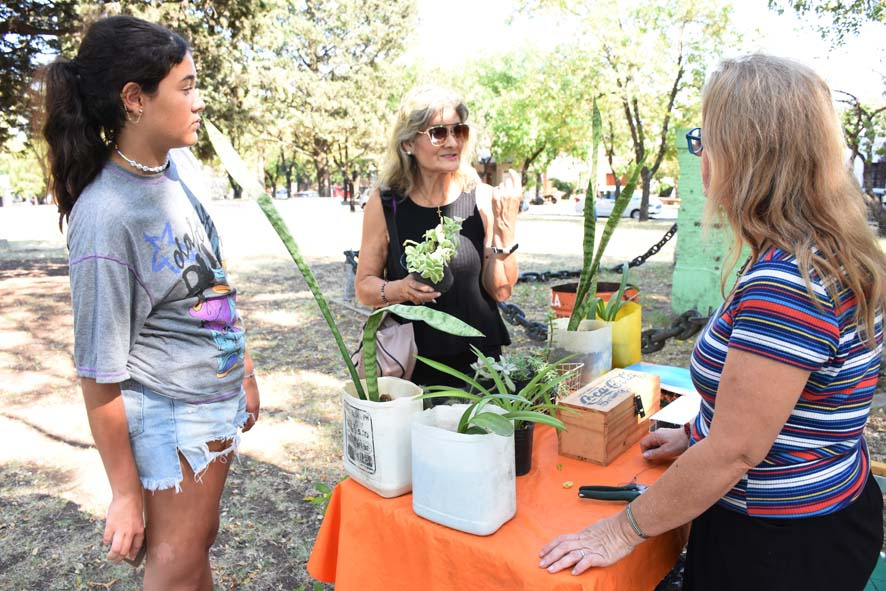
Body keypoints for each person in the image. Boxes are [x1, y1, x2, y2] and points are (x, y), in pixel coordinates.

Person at [539, 54, 886, 591]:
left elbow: (738, 451)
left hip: (778, 545)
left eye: (705, 138)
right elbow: (786, 410)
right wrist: (697, 435)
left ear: (743, 155)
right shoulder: (826, 249)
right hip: (826, 508)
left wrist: (622, 530)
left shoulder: (787, 281)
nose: (700, 156)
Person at [40, 15, 259, 590]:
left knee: (192, 552)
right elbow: (98, 373)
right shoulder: (107, 216)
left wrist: (245, 372)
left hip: (212, 403)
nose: (199, 101)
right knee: (175, 564)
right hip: (171, 416)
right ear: (134, 99)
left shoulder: (176, 170)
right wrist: (124, 492)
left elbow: (209, 279)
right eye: (185, 87)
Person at [355, 86, 522, 388]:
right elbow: (365, 288)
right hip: (411, 364)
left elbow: (500, 291)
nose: (453, 141)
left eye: (459, 131)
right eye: (438, 133)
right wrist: (400, 289)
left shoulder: (480, 198)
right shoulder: (386, 204)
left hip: (480, 365)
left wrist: (506, 225)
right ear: (408, 143)